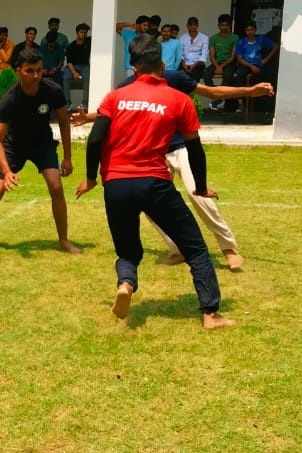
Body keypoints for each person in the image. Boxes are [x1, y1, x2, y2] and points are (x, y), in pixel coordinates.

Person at [76, 35, 232, 330]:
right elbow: (195, 149)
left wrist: (91, 177)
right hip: (154, 182)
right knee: (196, 249)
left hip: (116, 184)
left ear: (133, 68)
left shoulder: (115, 97)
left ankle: (125, 284)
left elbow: (95, 139)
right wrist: (200, 186)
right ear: (162, 65)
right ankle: (210, 314)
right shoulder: (180, 100)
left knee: (128, 251)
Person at [73, 69, 273, 271]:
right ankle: (177, 249)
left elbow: (211, 93)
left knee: (198, 195)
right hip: (153, 156)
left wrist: (249, 90)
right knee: (149, 203)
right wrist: (88, 118)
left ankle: (228, 248)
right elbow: (114, 111)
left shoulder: (173, 78)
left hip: (181, 147)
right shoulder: (126, 86)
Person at [0, 48, 78, 254]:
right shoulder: (9, 98)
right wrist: (7, 172)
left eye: (39, 70)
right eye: (30, 71)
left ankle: (64, 240)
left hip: (42, 144)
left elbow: (64, 122)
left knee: (56, 187)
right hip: (14, 147)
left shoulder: (53, 91)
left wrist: (67, 157)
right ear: (18, 71)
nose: (36, 75)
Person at [205, 14, 239, 110]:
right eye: (222, 25)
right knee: (206, 74)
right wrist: (217, 66)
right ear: (218, 26)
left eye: (226, 25)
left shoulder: (235, 37)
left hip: (229, 63)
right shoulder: (213, 38)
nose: (224, 27)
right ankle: (216, 96)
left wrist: (221, 67)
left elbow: (232, 56)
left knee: (228, 75)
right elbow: (212, 56)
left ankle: (220, 99)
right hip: (216, 63)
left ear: (229, 26)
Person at [234, 22, 277, 93]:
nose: (249, 32)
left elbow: (276, 46)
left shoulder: (260, 39)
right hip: (246, 64)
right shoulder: (241, 42)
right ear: (245, 31)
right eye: (247, 30)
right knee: (240, 76)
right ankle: (240, 98)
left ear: (255, 30)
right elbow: (239, 59)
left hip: (258, 64)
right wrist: (252, 67)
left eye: (251, 30)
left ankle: (262, 95)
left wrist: (266, 59)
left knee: (264, 76)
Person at [63, 23, 91, 110]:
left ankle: (85, 103)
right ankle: (67, 102)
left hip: (84, 66)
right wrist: (74, 72)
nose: (83, 34)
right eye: (81, 32)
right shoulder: (71, 46)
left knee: (87, 77)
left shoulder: (89, 42)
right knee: (65, 77)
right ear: (77, 33)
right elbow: (69, 62)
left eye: (85, 32)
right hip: (72, 66)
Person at [180, 17, 209, 83]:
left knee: (194, 81)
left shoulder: (204, 38)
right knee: (182, 81)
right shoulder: (182, 37)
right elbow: (180, 54)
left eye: (194, 25)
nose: (192, 27)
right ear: (187, 26)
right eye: (190, 25)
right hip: (184, 64)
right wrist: (184, 65)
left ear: (197, 25)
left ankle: (194, 87)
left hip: (198, 64)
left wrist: (194, 65)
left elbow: (204, 55)